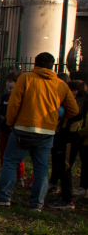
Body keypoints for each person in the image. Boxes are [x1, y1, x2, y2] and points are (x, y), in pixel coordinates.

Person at [0, 52, 79, 211]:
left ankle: (4, 198)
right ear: (52, 66)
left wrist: (11, 122)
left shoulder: (26, 78)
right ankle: (37, 204)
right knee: (41, 168)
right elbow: (73, 109)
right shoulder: (60, 84)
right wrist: (56, 119)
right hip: (46, 131)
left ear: (35, 64)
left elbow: (14, 103)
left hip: (23, 128)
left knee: (10, 163)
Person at [46, 80, 87, 209]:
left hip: (69, 139)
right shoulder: (69, 103)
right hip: (62, 138)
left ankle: (67, 200)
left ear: (74, 92)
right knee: (59, 166)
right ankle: (63, 195)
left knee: (65, 167)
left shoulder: (74, 105)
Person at [0, 70, 27, 187]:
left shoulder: (22, 96)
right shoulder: (5, 96)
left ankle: (19, 175)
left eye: (10, 82)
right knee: (3, 152)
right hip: (4, 129)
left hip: (15, 130)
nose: (7, 84)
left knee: (16, 154)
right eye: (7, 81)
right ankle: (4, 174)